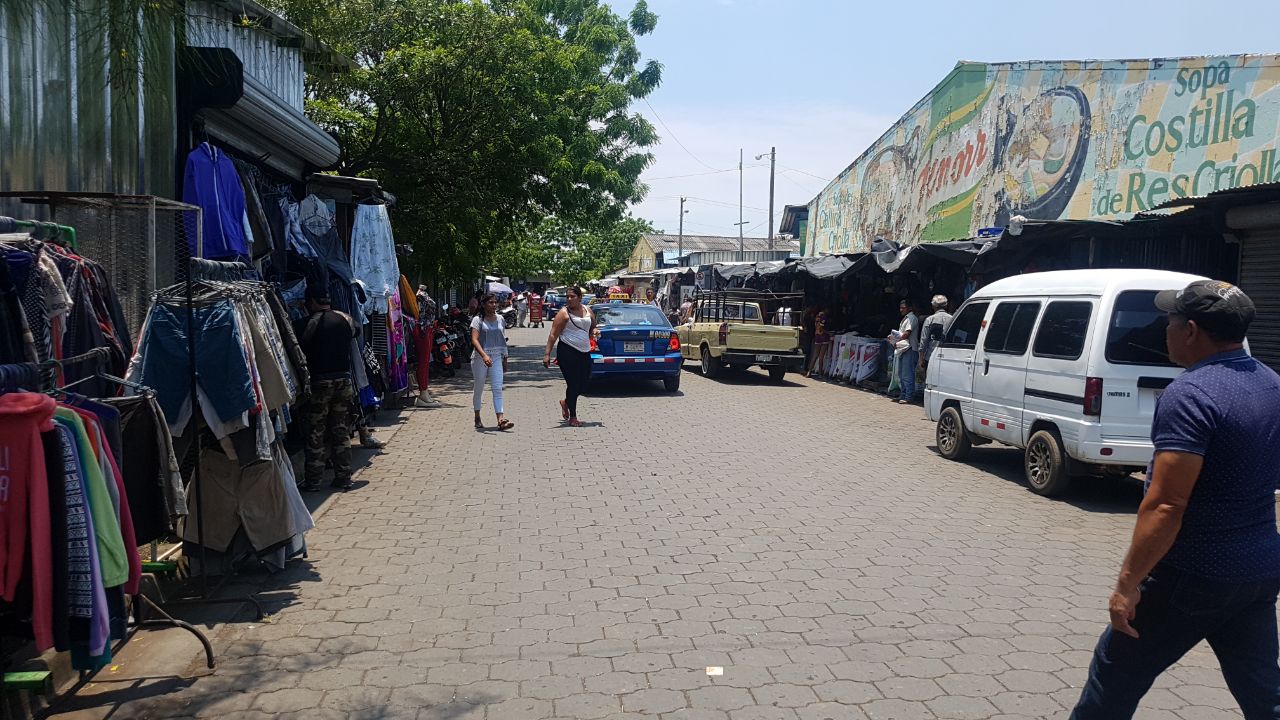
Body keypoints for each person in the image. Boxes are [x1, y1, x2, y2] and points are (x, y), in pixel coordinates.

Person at [1071, 280, 1280, 719]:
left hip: (1191, 575)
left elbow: (1166, 505)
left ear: (1190, 331)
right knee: (1265, 693)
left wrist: (1127, 585)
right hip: (1258, 570)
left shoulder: (1190, 394)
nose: (1162, 329)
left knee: (1114, 678)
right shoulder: (1270, 383)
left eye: (1168, 321)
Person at [295, 286, 360, 491]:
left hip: (320, 383)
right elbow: (356, 331)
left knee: (315, 432)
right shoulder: (345, 320)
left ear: (312, 301)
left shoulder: (307, 323)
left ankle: (314, 481)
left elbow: (299, 344)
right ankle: (344, 476)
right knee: (340, 429)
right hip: (344, 381)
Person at [543, 285, 596, 427]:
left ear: (580, 297)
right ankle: (573, 416)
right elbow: (553, 334)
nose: (569, 299)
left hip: (585, 351)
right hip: (567, 351)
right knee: (573, 384)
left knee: (584, 383)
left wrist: (595, 331)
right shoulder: (564, 313)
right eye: (567, 296)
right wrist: (547, 354)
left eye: (572, 296)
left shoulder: (587, 310)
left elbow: (593, 327)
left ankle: (566, 402)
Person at [470, 294, 512, 430]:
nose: (494, 305)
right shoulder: (478, 320)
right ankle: (477, 416)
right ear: (484, 304)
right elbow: (474, 340)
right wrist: (484, 355)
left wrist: (505, 358)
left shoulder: (500, 319)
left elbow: (502, 339)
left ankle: (500, 419)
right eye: (490, 302)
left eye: (495, 302)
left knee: (497, 388)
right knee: (479, 388)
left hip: (497, 357)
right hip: (480, 358)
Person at [890, 299, 919, 404]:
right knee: (902, 374)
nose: (901, 309)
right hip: (904, 349)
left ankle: (908, 396)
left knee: (907, 374)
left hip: (910, 349)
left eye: (903, 307)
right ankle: (903, 394)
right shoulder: (906, 319)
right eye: (900, 307)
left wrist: (895, 339)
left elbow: (907, 333)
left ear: (909, 308)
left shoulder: (911, 318)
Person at [918, 294, 952, 372]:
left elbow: (924, 340)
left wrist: (921, 359)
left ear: (934, 306)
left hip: (931, 356)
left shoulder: (930, 320)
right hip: (948, 357)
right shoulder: (952, 319)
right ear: (946, 306)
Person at [806, 309, 831, 378]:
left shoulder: (816, 318)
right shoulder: (823, 318)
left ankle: (809, 371)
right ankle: (820, 374)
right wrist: (829, 333)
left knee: (815, 356)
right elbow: (821, 328)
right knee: (821, 357)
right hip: (824, 337)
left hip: (817, 337)